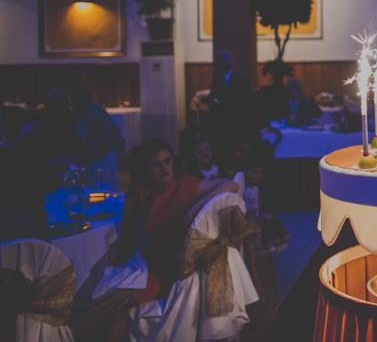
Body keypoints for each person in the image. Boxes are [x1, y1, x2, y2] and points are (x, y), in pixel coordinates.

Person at [100, 138, 238, 340]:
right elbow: (127, 229)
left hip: (169, 266)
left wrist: (192, 211)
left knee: (116, 308)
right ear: (144, 168)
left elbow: (230, 184)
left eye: (167, 161)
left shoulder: (185, 186)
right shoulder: (138, 189)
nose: (164, 168)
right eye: (156, 164)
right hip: (146, 260)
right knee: (104, 288)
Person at [240, 144, 287, 341]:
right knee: (252, 268)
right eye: (254, 172)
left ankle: (267, 300)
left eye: (261, 172)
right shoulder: (243, 188)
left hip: (260, 231)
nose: (257, 176)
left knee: (264, 266)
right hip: (249, 231)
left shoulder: (262, 189)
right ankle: (257, 301)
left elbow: (265, 210)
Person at [21, 89, 89, 191]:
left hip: (52, 171)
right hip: (57, 171)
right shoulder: (69, 118)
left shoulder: (45, 118)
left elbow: (29, 142)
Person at [206, 50, 254, 147]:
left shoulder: (242, 80)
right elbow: (212, 98)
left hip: (235, 125)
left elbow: (246, 105)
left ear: (229, 64)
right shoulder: (216, 80)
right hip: (218, 124)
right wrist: (215, 101)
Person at [71, 83, 122, 163]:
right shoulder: (74, 112)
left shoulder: (97, 111)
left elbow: (113, 131)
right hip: (78, 156)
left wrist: (101, 146)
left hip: (95, 157)